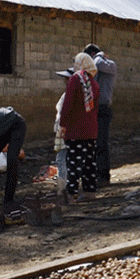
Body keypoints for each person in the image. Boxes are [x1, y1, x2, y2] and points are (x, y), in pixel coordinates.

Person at [60, 51, 100, 203]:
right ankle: (90, 192)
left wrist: (63, 124)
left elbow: (67, 105)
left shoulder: (75, 79)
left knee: (74, 163)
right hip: (91, 130)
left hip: (76, 130)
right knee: (89, 162)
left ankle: (71, 195)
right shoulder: (94, 83)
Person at [84, 43, 117, 186]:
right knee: (94, 144)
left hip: (102, 108)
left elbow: (98, 64)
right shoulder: (98, 66)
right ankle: (97, 174)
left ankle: (103, 176)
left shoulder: (107, 64)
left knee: (101, 143)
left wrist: (98, 56)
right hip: (94, 109)